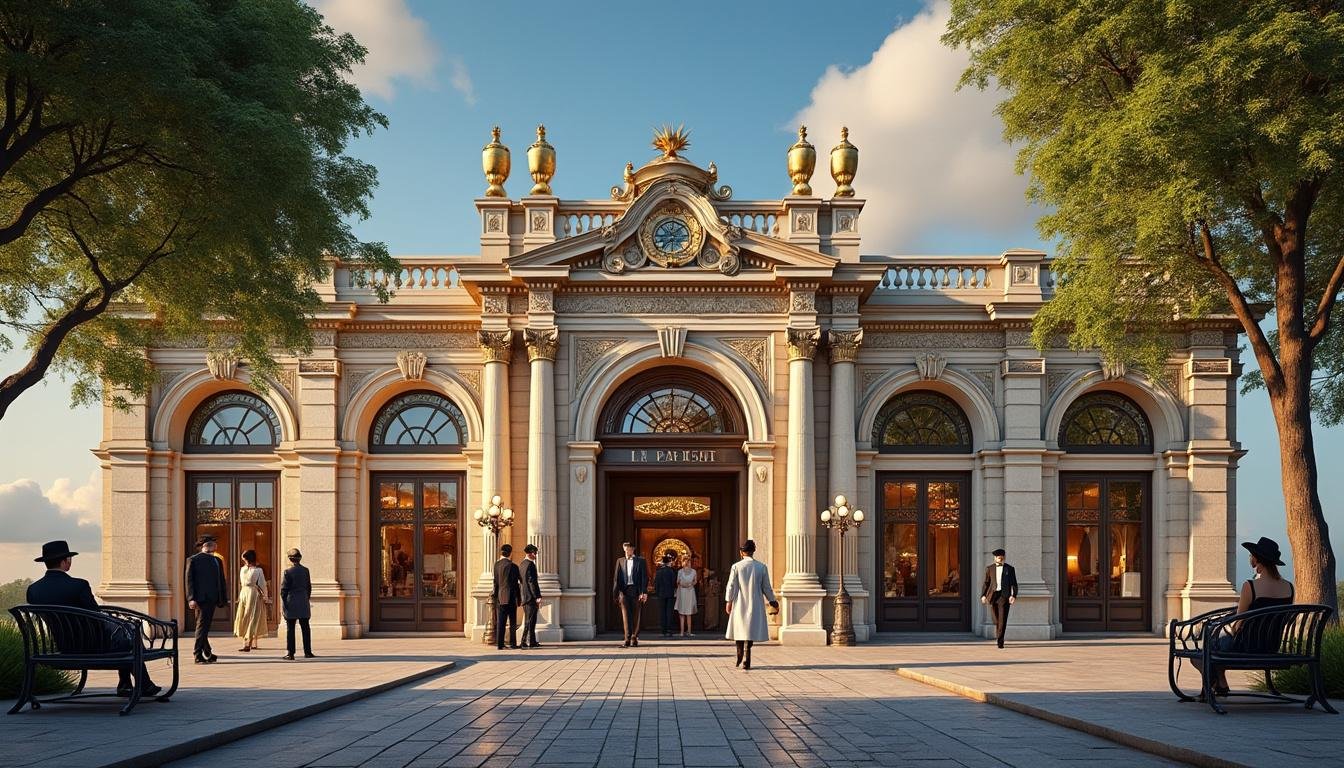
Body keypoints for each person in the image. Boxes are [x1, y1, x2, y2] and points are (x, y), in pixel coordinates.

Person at [27, 540, 161, 697]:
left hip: (64, 646)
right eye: (69, 559)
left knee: (124, 635)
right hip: (91, 647)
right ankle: (140, 684)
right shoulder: (79, 585)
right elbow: (96, 616)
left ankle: (128, 684)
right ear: (64, 562)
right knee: (128, 633)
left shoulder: (33, 590)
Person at [1198, 537, 1295, 695]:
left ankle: (1213, 683)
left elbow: (1238, 623)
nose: (1250, 558)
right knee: (1214, 645)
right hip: (1271, 645)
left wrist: (1226, 629)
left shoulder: (1250, 586)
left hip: (1247, 646)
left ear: (1256, 559)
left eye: (1251, 555)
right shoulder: (1289, 587)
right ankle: (1221, 683)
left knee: (1203, 651)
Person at [724, 540, 777, 670]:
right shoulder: (761, 567)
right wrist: (772, 601)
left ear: (741, 552)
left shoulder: (736, 566)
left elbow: (731, 585)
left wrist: (728, 601)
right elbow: (766, 587)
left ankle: (739, 654)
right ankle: (747, 656)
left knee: (740, 628)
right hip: (755, 602)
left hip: (739, 601)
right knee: (750, 629)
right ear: (753, 551)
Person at [186, 534, 228, 664]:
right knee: (202, 626)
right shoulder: (193, 560)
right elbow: (189, 581)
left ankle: (207, 652)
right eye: (213, 543)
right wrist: (191, 598)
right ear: (206, 545)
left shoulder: (217, 560)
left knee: (204, 626)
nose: (216, 545)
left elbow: (221, 580)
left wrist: (223, 598)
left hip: (212, 598)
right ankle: (198, 654)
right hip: (200, 599)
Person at [233, 549, 272, 652]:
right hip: (248, 593)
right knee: (248, 616)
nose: (243, 560)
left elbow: (262, 584)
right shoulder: (249, 570)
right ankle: (250, 642)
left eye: (244, 558)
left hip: (249, 593)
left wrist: (265, 597)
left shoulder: (254, 570)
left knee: (250, 617)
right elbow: (262, 585)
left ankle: (248, 643)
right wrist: (265, 597)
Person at [980, 548, 1018, 649]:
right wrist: (983, 595)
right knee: (996, 620)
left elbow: (1014, 584)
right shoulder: (990, 568)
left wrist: (1013, 596)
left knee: (1002, 620)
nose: (1000, 559)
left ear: (1004, 558)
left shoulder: (1010, 569)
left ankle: (1000, 641)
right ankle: (999, 636)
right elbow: (986, 583)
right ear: (995, 558)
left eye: (1001, 558)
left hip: (1004, 596)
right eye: (998, 558)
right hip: (993, 596)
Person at [280, 548, 313, 660]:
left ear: (290, 559)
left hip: (291, 602)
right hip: (303, 601)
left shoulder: (288, 572)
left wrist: (284, 603)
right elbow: (309, 587)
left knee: (290, 629)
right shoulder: (306, 571)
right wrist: (306, 598)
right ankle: (308, 651)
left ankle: (291, 653)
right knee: (305, 628)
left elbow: (284, 590)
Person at [612, 541, 647, 647]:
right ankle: (627, 638)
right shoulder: (620, 561)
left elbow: (644, 578)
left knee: (636, 615)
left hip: (636, 591)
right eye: (627, 549)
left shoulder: (641, 561)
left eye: (630, 549)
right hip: (624, 592)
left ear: (633, 550)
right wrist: (615, 594)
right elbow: (616, 578)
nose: (628, 551)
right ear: (624, 549)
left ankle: (634, 637)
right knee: (626, 616)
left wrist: (644, 592)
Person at [492, 543, 521, 650]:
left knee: (501, 622)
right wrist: (519, 598)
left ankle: (500, 644)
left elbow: (495, 583)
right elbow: (516, 584)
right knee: (512, 621)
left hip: (500, 597)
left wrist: (495, 596)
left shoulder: (496, 565)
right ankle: (513, 643)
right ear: (510, 553)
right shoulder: (513, 566)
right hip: (511, 597)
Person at [519, 543, 543, 648]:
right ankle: (524, 641)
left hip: (524, 596)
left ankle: (532, 641)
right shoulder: (530, 565)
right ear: (530, 553)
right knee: (530, 621)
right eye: (535, 553)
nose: (536, 555)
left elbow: (521, 581)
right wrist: (537, 596)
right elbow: (532, 582)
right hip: (530, 597)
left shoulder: (522, 564)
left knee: (530, 620)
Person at [653, 550, 678, 638]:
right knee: (669, 612)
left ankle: (663, 630)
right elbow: (674, 583)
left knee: (662, 612)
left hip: (661, 594)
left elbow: (656, 584)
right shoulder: (671, 571)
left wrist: (657, 592)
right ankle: (669, 630)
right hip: (670, 594)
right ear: (668, 562)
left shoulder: (658, 572)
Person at [675, 554, 699, 637]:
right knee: (681, 613)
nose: (687, 563)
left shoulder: (694, 571)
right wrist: (682, 584)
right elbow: (677, 582)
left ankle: (689, 631)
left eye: (688, 561)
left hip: (689, 592)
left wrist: (690, 584)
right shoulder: (680, 571)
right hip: (682, 592)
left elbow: (695, 581)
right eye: (685, 561)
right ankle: (681, 632)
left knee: (689, 613)